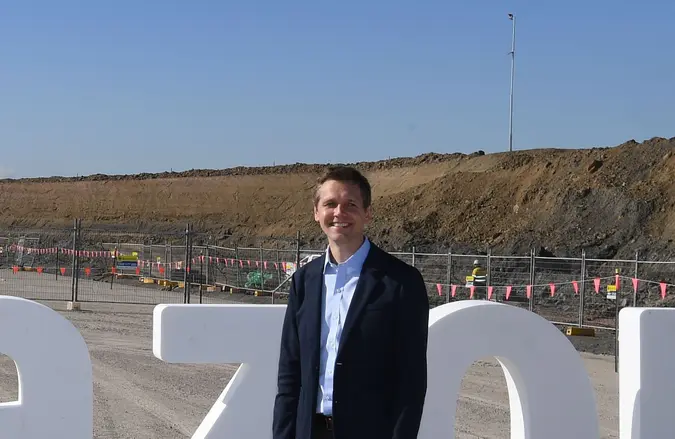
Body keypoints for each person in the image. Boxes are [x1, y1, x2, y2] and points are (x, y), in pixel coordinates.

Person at [272, 166, 429, 439]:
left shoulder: (402, 283)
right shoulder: (304, 281)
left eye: (350, 204)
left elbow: (411, 383)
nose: (339, 213)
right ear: (316, 212)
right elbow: (290, 374)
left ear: (367, 212)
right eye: (330, 204)